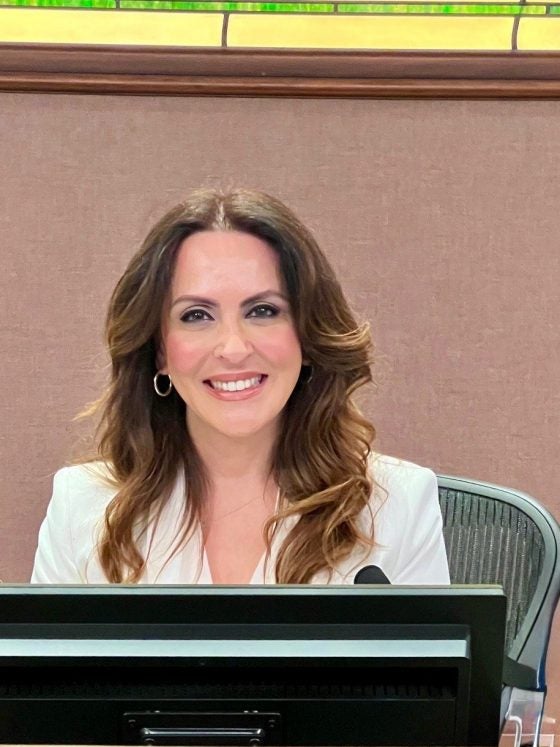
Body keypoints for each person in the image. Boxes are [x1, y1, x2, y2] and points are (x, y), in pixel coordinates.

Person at [31, 189, 449, 585]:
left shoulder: (397, 505)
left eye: (262, 311)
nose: (233, 348)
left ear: (307, 336)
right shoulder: (82, 506)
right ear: (159, 351)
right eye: (196, 315)